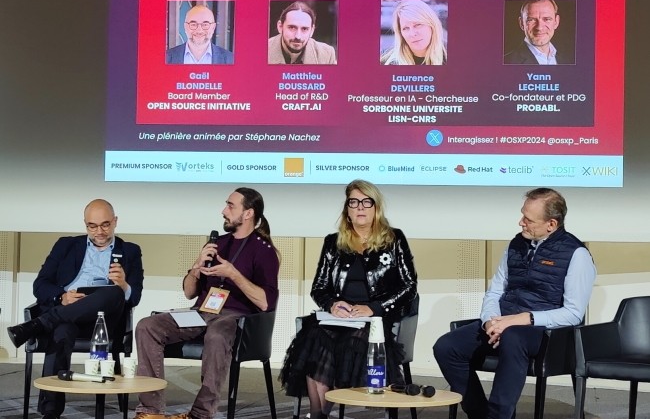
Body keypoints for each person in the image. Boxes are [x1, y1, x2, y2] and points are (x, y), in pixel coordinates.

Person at [433, 188, 596, 419]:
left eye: (528, 219)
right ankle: (480, 414)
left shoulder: (576, 254)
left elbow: (573, 314)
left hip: (547, 334)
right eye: (522, 215)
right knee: (447, 346)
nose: (521, 223)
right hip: (504, 325)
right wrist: (491, 321)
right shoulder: (515, 245)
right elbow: (494, 292)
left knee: (514, 336)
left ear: (551, 224)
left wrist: (522, 319)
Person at [134, 187, 280, 419]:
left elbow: (265, 302)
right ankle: (151, 411)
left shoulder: (264, 251)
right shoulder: (216, 244)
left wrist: (233, 274)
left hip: (234, 317)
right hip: (201, 313)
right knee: (147, 326)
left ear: (248, 213)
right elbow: (189, 292)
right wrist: (196, 267)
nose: (224, 211)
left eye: (231, 206)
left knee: (217, 334)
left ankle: (201, 414)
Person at [280, 179, 418, 419]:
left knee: (352, 341)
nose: (360, 207)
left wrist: (373, 308)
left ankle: (325, 412)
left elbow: (409, 286)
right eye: (354, 202)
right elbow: (319, 288)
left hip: (376, 319)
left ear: (376, 208)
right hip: (338, 317)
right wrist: (332, 304)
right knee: (315, 338)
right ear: (347, 209)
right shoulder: (333, 242)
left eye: (366, 202)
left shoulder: (394, 239)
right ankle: (318, 414)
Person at [7, 199, 144, 419]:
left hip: (104, 321)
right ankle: (51, 411)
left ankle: (39, 324)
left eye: (105, 225)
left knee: (113, 292)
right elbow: (40, 285)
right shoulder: (66, 245)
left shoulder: (130, 251)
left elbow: (134, 296)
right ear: (85, 225)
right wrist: (62, 296)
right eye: (92, 226)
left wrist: (124, 285)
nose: (99, 231)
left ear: (115, 221)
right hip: (68, 315)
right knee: (61, 331)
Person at [268, 1, 337, 65]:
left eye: (304, 29)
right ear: (280, 27)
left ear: (312, 30)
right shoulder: (261, 51)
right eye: (292, 27)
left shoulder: (326, 55)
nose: (298, 36)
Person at [381, 0, 447, 65]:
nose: (412, 34)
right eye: (405, 28)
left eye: (418, 25)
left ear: (432, 25)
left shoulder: (452, 57)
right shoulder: (387, 62)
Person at [504, 0, 567, 65]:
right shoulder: (508, 62)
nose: (539, 28)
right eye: (531, 20)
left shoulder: (567, 59)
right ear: (522, 23)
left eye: (547, 19)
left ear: (556, 22)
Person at [166, 4, 234, 65]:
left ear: (213, 27)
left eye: (205, 24)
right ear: (185, 27)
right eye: (193, 24)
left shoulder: (230, 60)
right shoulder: (166, 58)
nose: (199, 30)